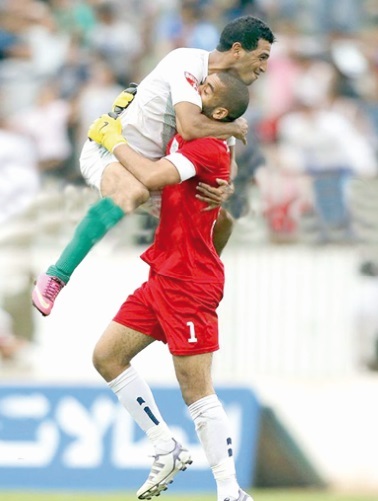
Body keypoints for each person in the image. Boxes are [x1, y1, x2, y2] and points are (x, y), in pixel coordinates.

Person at [32, 15, 275, 316]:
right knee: (133, 192)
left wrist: (226, 186)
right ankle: (56, 275)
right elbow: (188, 127)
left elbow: (230, 163)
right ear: (238, 50)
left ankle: (197, 285)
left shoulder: (225, 92)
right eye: (262, 57)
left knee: (222, 219)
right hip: (110, 150)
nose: (264, 67)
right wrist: (233, 128)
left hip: (155, 173)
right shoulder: (186, 61)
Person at [89, 71, 252, 501]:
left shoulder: (207, 147)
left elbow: (150, 175)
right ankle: (165, 446)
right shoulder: (194, 134)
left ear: (216, 111)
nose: (197, 88)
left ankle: (230, 490)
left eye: (207, 88)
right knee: (107, 356)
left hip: (190, 284)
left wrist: (113, 139)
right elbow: (223, 219)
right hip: (163, 273)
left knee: (196, 390)